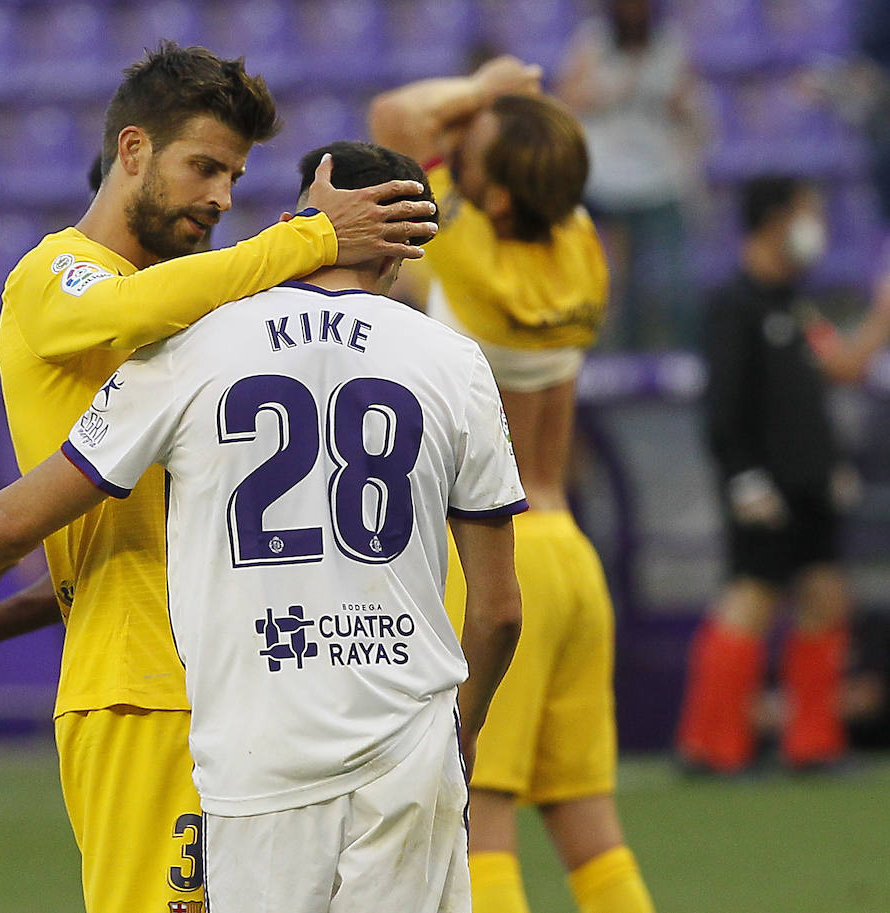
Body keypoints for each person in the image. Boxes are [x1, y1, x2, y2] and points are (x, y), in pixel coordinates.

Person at [0, 140, 524, 913]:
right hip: (409, 740)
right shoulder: (455, 362)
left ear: (297, 221)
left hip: (261, 743)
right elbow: (499, 609)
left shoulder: (195, 345)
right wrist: (466, 725)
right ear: (403, 252)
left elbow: (21, 515)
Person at [369, 59, 657, 913]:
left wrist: (482, 86)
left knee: (479, 820)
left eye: (474, 150)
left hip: (490, 552)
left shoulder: (461, 251)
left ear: (494, 200)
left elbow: (393, 114)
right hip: (571, 554)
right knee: (588, 825)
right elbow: (538, 173)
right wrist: (502, 125)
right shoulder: (581, 253)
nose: (458, 143)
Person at [676, 176, 890, 774]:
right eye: (807, 214)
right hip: (763, 488)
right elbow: (722, 407)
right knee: (750, 599)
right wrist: (743, 478)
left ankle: (814, 744)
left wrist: (880, 318)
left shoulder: (794, 303)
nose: (815, 229)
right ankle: (709, 745)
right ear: (774, 221)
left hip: (811, 484)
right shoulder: (734, 306)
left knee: (826, 597)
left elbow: (838, 368)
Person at [556, 0, 707, 350]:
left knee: (673, 278)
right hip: (606, 182)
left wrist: (677, 100)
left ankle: (684, 358)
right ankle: (620, 360)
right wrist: (613, 89)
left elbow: (693, 107)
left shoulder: (670, 43)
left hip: (660, 180)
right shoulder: (593, 41)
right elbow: (565, 100)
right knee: (615, 281)